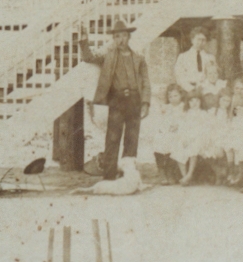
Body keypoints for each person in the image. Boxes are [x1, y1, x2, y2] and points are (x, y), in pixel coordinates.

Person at [79, 20, 151, 181]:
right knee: (112, 138)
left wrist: (145, 102)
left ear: (129, 37)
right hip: (117, 100)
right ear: (114, 38)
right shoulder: (107, 56)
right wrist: (84, 40)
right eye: (117, 36)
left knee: (132, 138)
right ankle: (109, 175)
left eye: (123, 36)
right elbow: (88, 57)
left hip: (134, 100)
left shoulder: (139, 57)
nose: (120, 40)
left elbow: (146, 81)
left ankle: (128, 174)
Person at [154, 83, 185, 185]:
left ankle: (170, 171)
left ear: (181, 95)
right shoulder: (166, 107)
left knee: (174, 142)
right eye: (170, 96)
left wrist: (178, 126)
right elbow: (162, 120)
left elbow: (186, 120)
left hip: (180, 131)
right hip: (168, 131)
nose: (173, 99)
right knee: (159, 140)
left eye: (175, 95)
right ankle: (162, 171)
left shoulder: (183, 107)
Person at [174, 26, 216, 93]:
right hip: (188, 91)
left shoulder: (210, 57)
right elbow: (179, 76)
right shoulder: (183, 57)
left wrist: (205, 88)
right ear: (192, 40)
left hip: (206, 90)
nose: (200, 42)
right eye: (198, 39)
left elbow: (213, 75)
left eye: (203, 40)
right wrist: (191, 89)